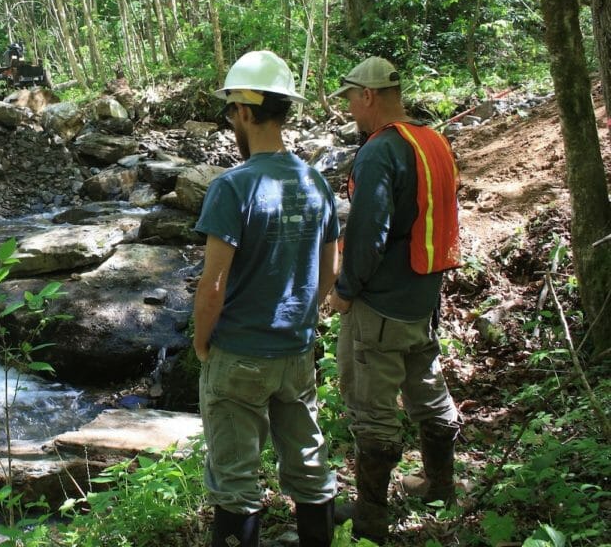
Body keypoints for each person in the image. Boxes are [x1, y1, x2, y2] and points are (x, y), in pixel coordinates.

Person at [194, 50, 339, 547]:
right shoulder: (313, 180)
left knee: (235, 481)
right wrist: (303, 320)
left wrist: (202, 344)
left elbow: (213, 283)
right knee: (308, 464)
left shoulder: (232, 187)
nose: (231, 120)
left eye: (232, 110)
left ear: (248, 113)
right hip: (296, 352)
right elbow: (329, 270)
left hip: (239, 354)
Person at [326, 57, 462, 542]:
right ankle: (441, 485)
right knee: (426, 385)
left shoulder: (380, 151)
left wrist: (345, 291)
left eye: (350, 99)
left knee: (372, 406)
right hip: (425, 292)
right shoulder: (432, 140)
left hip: (382, 301)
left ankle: (370, 516)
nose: (349, 111)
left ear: (368, 96)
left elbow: (368, 232)